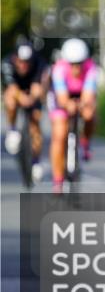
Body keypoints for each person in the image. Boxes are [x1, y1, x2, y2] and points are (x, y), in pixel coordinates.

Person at [49, 38, 99, 192]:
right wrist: (68, 105)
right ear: (66, 62)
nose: (76, 68)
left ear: (85, 61)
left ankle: (85, 141)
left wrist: (82, 105)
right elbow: (62, 97)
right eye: (72, 64)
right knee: (59, 135)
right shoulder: (58, 69)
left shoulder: (91, 68)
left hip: (82, 96)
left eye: (79, 63)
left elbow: (89, 95)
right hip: (61, 98)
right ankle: (58, 180)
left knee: (90, 114)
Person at [2, 38, 48, 183]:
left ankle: (35, 161)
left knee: (35, 124)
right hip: (16, 92)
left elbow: (39, 88)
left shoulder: (40, 64)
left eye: (27, 62)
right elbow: (12, 88)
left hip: (32, 94)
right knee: (10, 100)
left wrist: (35, 95)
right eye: (21, 61)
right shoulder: (6, 63)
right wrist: (21, 97)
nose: (24, 65)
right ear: (15, 58)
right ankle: (12, 129)